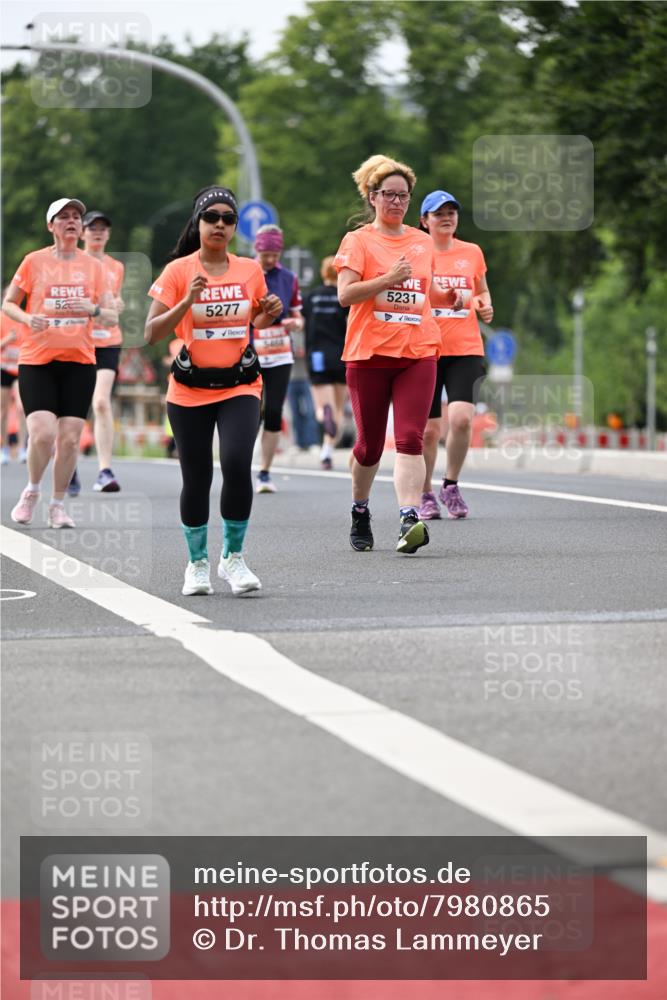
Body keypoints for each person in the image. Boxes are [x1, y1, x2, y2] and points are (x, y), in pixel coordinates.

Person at [145, 185, 282, 597]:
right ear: (198, 223)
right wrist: (187, 301)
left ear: (235, 226)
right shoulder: (178, 271)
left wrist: (267, 312)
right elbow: (151, 332)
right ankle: (197, 564)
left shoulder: (248, 269)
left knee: (238, 462)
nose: (220, 224)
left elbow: (255, 321)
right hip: (189, 391)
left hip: (240, 384)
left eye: (228, 218)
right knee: (197, 476)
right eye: (212, 217)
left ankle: (233, 559)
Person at [334, 154, 440, 554]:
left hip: (418, 351)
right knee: (369, 447)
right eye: (389, 195)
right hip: (369, 355)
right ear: (373, 197)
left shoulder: (423, 242)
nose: (397, 202)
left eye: (404, 196)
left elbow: (426, 293)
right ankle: (360, 510)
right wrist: (388, 279)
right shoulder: (358, 241)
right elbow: (345, 295)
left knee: (411, 437)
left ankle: (408, 519)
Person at [3, 197, 117, 529]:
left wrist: (92, 309)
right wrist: (27, 318)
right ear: (50, 225)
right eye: (63, 216)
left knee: (68, 439)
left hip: (80, 362)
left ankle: (57, 505)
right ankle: (32, 490)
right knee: (41, 433)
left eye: (76, 217)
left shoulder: (94, 267)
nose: (72, 221)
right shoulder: (33, 262)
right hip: (37, 360)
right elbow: (9, 304)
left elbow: (111, 315)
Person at [417, 190, 493, 520]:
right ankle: (424, 494)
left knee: (461, 419)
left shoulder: (472, 252)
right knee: (429, 430)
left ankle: (450, 484)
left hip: (466, 348)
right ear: (424, 221)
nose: (447, 218)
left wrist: (486, 304)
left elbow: (482, 290)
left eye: (451, 212)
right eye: (439, 213)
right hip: (426, 348)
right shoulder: (416, 252)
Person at [252, 224, 303, 493]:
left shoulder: (289, 278)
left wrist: (296, 323)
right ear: (256, 250)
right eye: (265, 255)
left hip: (281, 352)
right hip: (250, 349)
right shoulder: (245, 272)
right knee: (250, 411)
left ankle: (264, 472)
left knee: (273, 411)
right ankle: (240, 464)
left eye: (275, 254)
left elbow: (298, 314)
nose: (270, 260)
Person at [82, 209, 125, 492]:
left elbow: (114, 300)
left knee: (100, 402)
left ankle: (105, 470)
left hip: (108, 339)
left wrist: (117, 305)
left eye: (103, 228)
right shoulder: (73, 263)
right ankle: (67, 466)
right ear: (83, 232)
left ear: (108, 234)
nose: (98, 232)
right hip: (77, 341)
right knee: (71, 409)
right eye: (92, 227)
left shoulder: (116, 266)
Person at [302, 255, 349, 470]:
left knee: (323, 405)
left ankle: (323, 414)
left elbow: (299, 320)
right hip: (340, 355)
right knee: (339, 408)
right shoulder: (343, 299)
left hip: (317, 356)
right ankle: (327, 453)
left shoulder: (311, 297)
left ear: (323, 273)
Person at [0, 305, 27, 464]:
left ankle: (23, 448)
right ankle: (3, 449)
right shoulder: (1, 318)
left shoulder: (24, 317)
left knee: (22, 407)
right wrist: (7, 340)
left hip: (21, 368)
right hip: (4, 368)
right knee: (2, 411)